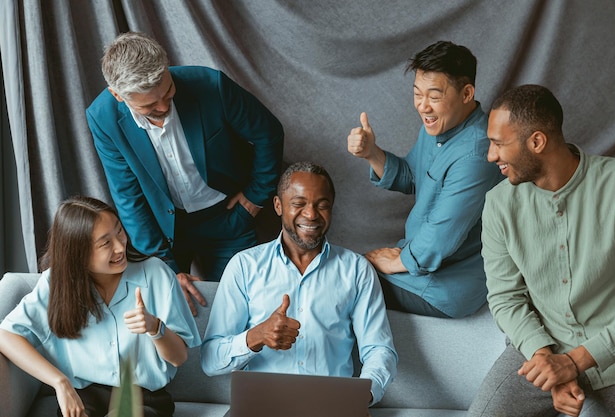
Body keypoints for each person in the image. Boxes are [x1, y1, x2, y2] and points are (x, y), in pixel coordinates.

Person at [86, 32, 284, 314]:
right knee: (174, 312)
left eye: (168, 93)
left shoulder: (211, 85)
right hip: (166, 230)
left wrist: (256, 194)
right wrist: (164, 268)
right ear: (118, 95)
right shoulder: (102, 117)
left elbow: (268, 133)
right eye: (149, 106)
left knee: (237, 311)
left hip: (229, 216)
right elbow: (127, 197)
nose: (164, 107)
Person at [468, 85, 615, 417]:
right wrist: (545, 360)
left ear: (537, 142)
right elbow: (504, 297)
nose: (491, 156)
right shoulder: (498, 205)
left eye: (499, 144)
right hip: (540, 346)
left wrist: (573, 362)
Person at [200, 162, 398, 405]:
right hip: (263, 407)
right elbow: (210, 360)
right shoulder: (244, 266)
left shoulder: (356, 270)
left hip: (331, 408)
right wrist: (256, 336)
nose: (311, 214)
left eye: (322, 205)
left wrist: (361, 397)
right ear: (278, 206)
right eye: (299, 204)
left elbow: (379, 349)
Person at [0, 196, 201, 417]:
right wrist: (60, 382)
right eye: (105, 243)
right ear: (78, 253)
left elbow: (179, 357)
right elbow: (6, 335)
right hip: (83, 398)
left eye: (119, 232)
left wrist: (155, 327)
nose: (119, 246)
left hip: (143, 399)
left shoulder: (156, 273)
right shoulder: (56, 282)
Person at [346, 40, 502, 318]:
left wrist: (394, 260)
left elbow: (441, 239)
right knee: (335, 272)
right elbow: (411, 176)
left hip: (446, 285)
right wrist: (372, 153)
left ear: (467, 93)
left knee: (342, 283)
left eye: (434, 96)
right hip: (417, 262)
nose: (423, 106)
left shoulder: (477, 153)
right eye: (417, 94)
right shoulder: (438, 128)